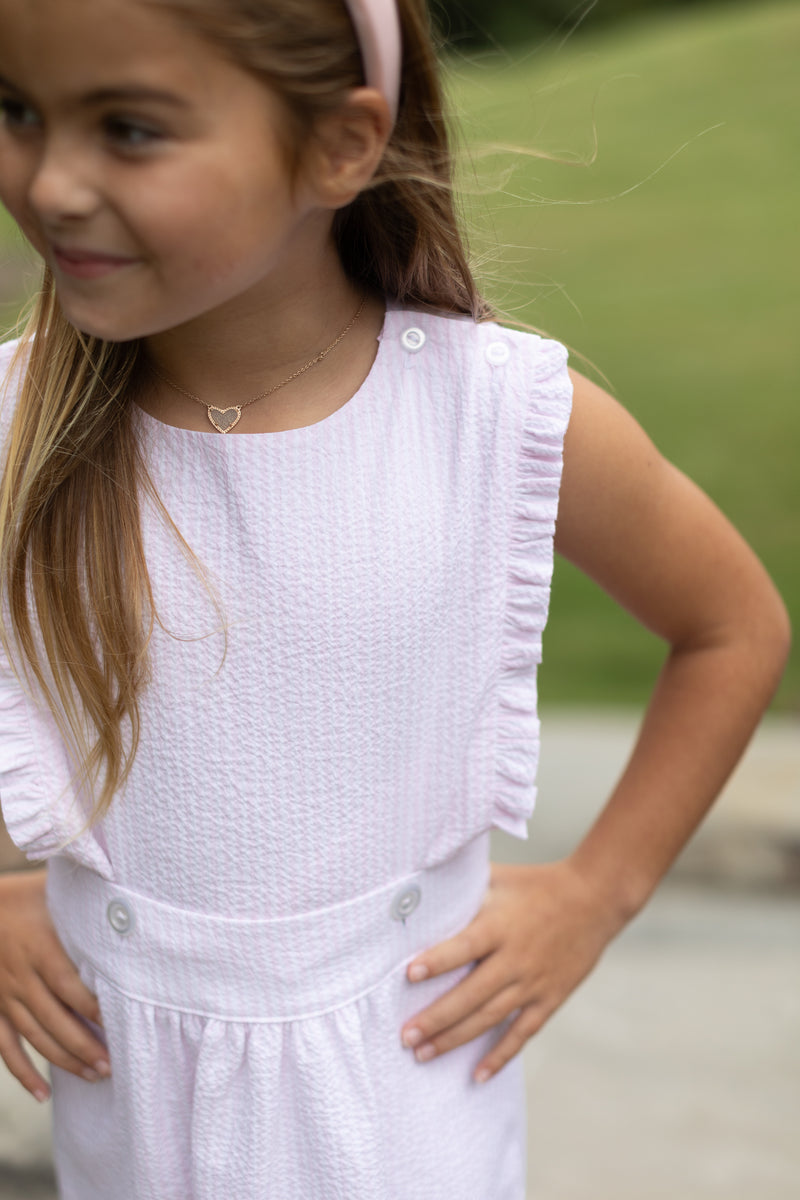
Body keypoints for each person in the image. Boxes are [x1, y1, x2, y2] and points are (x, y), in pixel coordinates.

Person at [0, 0, 790, 1196]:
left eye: (129, 128)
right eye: (15, 112)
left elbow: (731, 626)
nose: (52, 184)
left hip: (400, 1108)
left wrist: (595, 891)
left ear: (339, 145)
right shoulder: (19, 426)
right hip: (131, 1120)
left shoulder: (493, 420)